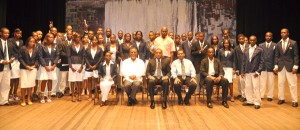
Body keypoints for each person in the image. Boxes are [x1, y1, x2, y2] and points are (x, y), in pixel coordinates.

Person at [274, 28, 299, 107]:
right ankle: (281, 98)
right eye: (282, 32)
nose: (283, 34)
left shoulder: (293, 43)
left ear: (288, 33)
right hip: (281, 66)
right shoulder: (278, 43)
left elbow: (296, 55)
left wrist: (295, 66)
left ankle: (294, 100)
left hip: (290, 66)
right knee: (280, 83)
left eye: (284, 32)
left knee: (292, 84)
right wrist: (276, 66)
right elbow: (276, 56)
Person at [241, 35, 264, 109]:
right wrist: (242, 71)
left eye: (253, 40)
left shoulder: (260, 50)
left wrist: (258, 71)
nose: (252, 41)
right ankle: (249, 101)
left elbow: (262, 62)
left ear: (256, 40)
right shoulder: (246, 49)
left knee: (256, 87)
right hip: (247, 71)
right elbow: (243, 61)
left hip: (255, 72)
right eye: (250, 40)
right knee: (247, 87)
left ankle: (257, 102)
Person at [38, 33, 59, 103]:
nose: (51, 38)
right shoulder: (42, 46)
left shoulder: (55, 45)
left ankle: (49, 96)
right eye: (50, 37)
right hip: (45, 65)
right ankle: (42, 96)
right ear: (46, 38)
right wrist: (45, 65)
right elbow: (40, 56)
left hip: (52, 65)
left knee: (50, 80)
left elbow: (57, 55)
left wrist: (54, 65)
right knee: (44, 80)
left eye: (52, 37)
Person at [19, 36, 39, 106]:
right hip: (24, 69)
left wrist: (34, 66)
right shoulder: (23, 48)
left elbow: (37, 59)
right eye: (31, 41)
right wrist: (26, 66)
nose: (32, 43)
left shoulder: (36, 49)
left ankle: (29, 99)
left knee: (30, 84)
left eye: (33, 42)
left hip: (33, 69)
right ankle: (23, 100)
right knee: (24, 84)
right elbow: (20, 58)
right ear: (27, 42)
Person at [259, 32, 276, 101]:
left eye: (269, 36)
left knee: (271, 82)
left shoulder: (275, 45)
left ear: (271, 37)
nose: (268, 37)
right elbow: (259, 57)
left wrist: (275, 66)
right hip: (263, 66)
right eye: (267, 36)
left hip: (271, 66)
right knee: (262, 82)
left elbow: (276, 57)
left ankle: (270, 96)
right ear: (265, 37)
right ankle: (261, 95)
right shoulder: (260, 45)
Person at [68, 32, 85, 102]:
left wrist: (81, 66)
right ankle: (73, 95)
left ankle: (79, 95)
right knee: (72, 81)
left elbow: (84, 57)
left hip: (80, 64)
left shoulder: (82, 46)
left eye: (79, 37)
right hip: (72, 64)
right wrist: (70, 66)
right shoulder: (70, 45)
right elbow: (68, 56)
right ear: (74, 38)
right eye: (77, 37)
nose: (78, 38)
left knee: (79, 81)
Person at [84, 36, 103, 101]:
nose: (94, 41)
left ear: (97, 41)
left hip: (96, 67)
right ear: (91, 41)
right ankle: (90, 95)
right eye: (93, 40)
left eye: (95, 40)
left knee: (96, 82)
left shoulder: (100, 49)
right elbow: (85, 57)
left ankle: (96, 95)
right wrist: (89, 65)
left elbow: (101, 58)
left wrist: (96, 65)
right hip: (89, 67)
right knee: (89, 81)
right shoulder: (87, 48)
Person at [0, 27, 15, 106]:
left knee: (5, 84)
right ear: (1, 33)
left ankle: (4, 101)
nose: (7, 34)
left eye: (8, 33)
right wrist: (2, 61)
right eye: (5, 33)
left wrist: (12, 59)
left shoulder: (9, 43)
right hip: (0, 66)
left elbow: (13, 54)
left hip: (8, 66)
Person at [8, 28, 24, 101]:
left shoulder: (21, 41)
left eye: (20, 33)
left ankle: (15, 94)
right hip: (12, 61)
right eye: (18, 33)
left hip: (19, 61)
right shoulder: (10, 40)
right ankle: (10, 94)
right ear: (14, 33)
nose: (19, 35)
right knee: (12, 78)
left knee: (17, 77)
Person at [234, 34, 248, 102]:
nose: (242, 40)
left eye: (243, 39)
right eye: (240, 39)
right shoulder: (236, 48)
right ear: (238, 40)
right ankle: (242, 95)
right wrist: (236, 69)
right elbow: (235, 59)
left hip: (248, 67)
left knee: (247, 82)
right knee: (241, 82)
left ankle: (247, 95)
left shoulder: (248, 46)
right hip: (240, 67)